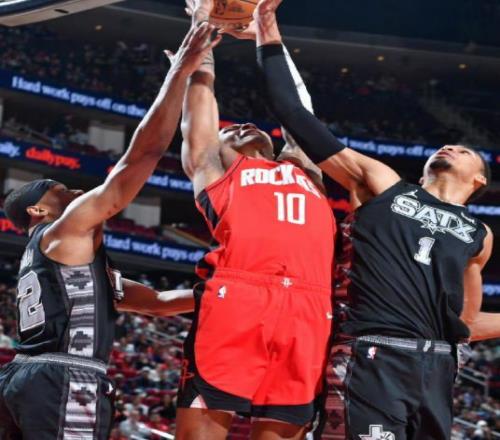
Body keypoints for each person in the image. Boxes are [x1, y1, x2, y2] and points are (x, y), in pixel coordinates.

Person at [254, 1, 497, 439]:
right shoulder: (384, 184)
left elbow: (466, 323)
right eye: (446, 146)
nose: (450, 148)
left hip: (437, 364)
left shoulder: (479, 234)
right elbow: (295, 115)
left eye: (464, 151)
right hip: (372, 352)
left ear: (478, 179)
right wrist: (267, 30)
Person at [0, 22, 218, 440]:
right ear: (37, 209)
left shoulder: (59, 263)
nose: (74, 190)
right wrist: (180, 74)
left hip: (27, 378)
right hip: (63, 377)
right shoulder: (63, 231)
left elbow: (156, 303)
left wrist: (228, 293)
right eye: (60, 188)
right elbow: (144, 155)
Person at [173, 1, 336, 438]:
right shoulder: (214, 170)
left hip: (309, 307)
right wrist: (201, 29)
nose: (242, 124)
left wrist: (266, 35)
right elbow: (199, 102)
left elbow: (300, 109)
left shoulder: (305, 171)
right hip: (238, 295)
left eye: (245, 125)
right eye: (229, 131)